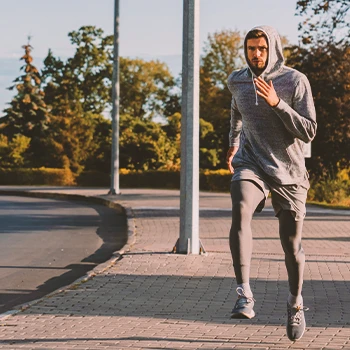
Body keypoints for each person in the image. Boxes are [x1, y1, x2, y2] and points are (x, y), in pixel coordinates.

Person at [226, 25, 316, 342]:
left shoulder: (295, 81)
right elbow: (236, 113)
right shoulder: (237, 80)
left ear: (273, 49)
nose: (256, 54)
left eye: (262, 49)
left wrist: (278, 103)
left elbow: (309, 130)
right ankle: (244, 293)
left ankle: (294, 303)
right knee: (239, 206)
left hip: (290, 173)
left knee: (291, 247)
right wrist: (233, 144)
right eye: (251, 48)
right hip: (252, 163)